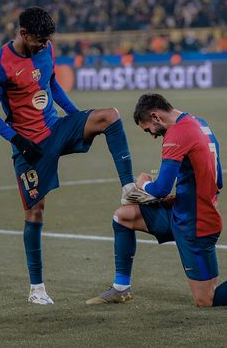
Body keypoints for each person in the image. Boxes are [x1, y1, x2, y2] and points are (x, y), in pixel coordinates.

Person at [0, 6, 145, 305]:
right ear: (22, 34)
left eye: (47, 40)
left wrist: (77, 118)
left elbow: (52, 84)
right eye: (38, 40)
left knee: (109, 116)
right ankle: (37, 288)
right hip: (29, 144)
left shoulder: (46, 47)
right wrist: (17, 140)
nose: (44, 45)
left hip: (56, 128)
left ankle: (128, 188)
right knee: (35, 211)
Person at [86, 93, 227, 307]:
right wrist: (185, 196)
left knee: (206, 299)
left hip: (196, 224)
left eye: (148, 129)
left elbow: (160, 189)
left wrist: (143, 183)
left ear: (155, 116)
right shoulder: (200, 123)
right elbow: (217, 177)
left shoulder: (177, 135)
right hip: (183, 211)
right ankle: (121, 288)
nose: (152, 135)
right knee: (123, 216)